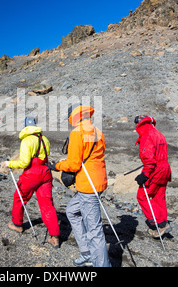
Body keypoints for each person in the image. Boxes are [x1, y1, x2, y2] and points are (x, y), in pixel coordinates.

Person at [48, 104, 110, 267]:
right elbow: (93, 156)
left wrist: (57, 166)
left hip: (87, 185)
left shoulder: (77, 132)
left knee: (95, 230)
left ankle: (101, 264)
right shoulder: (97, 131)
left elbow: (74, 164)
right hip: (98, 180)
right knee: (72, 211)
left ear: (73, 116)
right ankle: (86, 252)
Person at [3, 117, 60, 248]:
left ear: (25, 127)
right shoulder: (44, 139)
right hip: (45, 173)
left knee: (19, 198)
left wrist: (9, 163)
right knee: (47, 204)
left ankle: (17, 225)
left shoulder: (26, 140)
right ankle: (55, 236)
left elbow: (24, 162)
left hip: (32, 174)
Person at [133, 115, 172, 238]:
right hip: (165, 168)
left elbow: (150, 160)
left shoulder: (146, 135)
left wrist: (144, 174)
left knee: (142, 196)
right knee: (158, 196)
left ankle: (158, 224)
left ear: (138, 124)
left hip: (156, 170)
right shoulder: (158, 133)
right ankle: (163, 223)